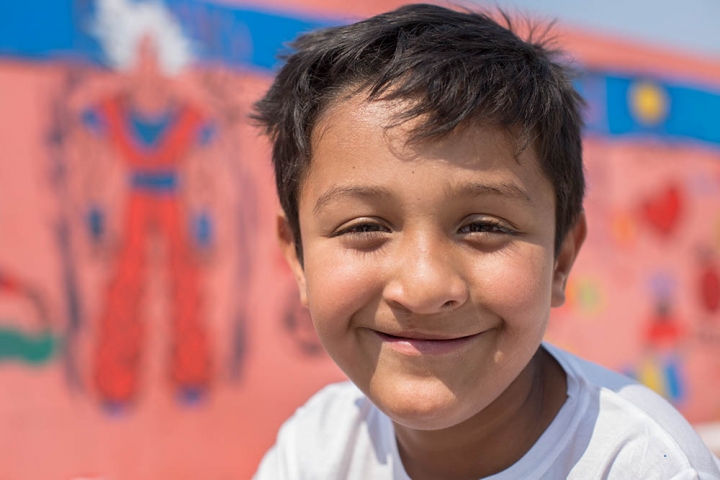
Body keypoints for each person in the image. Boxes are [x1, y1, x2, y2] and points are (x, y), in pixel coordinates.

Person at [251, 4, 720, 479]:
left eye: (484, 226)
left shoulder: (638, 464)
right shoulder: (316, 446)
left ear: (561, 258)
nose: (425, 287)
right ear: (299, 256)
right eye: (364, 227)